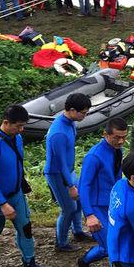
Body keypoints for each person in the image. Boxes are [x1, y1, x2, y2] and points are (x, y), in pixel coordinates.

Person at [0, 105, 51, 267]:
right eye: (18, 126)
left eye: (23, 126)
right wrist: (3, 204)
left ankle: (29, 263)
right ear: (6, 122)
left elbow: (16, 164)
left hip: (16, 194)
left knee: (25, 227)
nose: (21, 130)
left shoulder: (17, 139)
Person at [77, 118, 127, 267]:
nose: (120, 141)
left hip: (113, 204)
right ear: (106, 134)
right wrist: (89, 215)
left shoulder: (118, 150)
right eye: (117, 137)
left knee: (119, 242)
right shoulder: (94, 156)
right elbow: (83, 186)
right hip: (96, 206)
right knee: (108, 246)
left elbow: (117, 177)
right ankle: (84, 262)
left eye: (124, 137)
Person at [45, 93, 91, 252]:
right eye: (83, 113)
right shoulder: (58, 132)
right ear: (72, 110)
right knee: (68, 208)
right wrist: (70, 186)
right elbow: (60, 163)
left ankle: (78, 232)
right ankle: (61, 242)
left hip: (69, 170)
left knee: (79, 202)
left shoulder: (70, 122)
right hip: (57, 173)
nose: (85, 116)